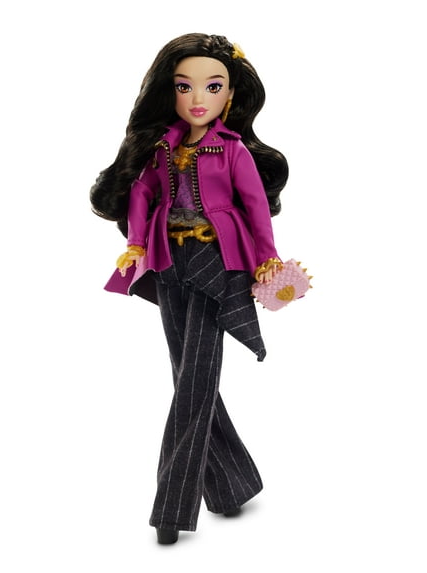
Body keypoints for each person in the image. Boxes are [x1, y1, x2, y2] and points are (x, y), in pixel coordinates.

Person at [90, 33, 289, 544]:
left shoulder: (233, 151)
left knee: (194, 382)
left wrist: (268, 259)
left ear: (230, 94)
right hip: (168, 261)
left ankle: (171, 510)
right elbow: (142, 194)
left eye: (212, 86)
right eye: (185, 86)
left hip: (217, 263)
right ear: (170, 91)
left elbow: (256, 208)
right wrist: (135, 244)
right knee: (189, 375)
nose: (198, 98)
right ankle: (233, 485)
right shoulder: (162, 148)